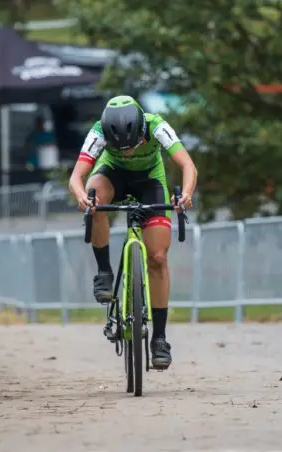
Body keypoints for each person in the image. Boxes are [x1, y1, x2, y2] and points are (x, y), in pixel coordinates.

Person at [68, 95, 197, 370]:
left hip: (150, 181)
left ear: (141, 130)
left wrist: (185, 195)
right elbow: (75, 178)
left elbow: (187, 165)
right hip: (112, 175)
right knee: (95, 201)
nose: (126, 151)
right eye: (119, 147)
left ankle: (159, 338)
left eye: (132, 145)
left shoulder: (155, 125)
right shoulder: (98, 131)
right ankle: (104, 272)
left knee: (158, 258)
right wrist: (82, 198)